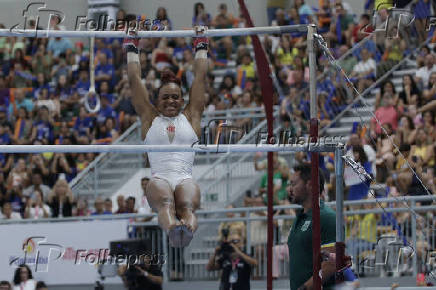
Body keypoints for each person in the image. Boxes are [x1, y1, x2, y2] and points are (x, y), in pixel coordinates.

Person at [124, 27, 209, 247]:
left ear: (182, 101)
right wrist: (132, 45)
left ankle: (186, 230)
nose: (171, 101)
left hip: (184, 176)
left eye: (175, 97)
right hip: (160, 176)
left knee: (186, 206)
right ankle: (173, 229)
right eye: (165, 97)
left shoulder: (191, 116)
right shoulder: (149, 117)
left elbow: (201, 76)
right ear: (156, 99)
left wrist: (201, 45)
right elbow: (134, 79)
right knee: (165, 202)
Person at [287, 163, 337, 290]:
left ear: (309, 185)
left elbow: (331, 264)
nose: (289, 189)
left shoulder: (327, 217)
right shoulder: (300, 216)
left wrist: (304, 288)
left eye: (293, 184)